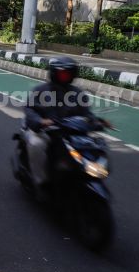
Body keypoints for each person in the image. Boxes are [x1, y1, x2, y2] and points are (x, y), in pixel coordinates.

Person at [23, 56, 107, 191]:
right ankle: (40, 182)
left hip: (68, 133)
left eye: (69, 73)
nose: (65, 76)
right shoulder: (41, 90)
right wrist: (41, 121)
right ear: (54, 73)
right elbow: (29, 109)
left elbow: (86, 113)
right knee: (36, 144)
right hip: (44, 132)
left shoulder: (78, 93)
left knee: (94, 145)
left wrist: (96, 121)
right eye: (63, 73)